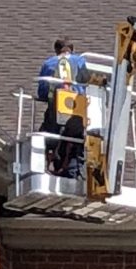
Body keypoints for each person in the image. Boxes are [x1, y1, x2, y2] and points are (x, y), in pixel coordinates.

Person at [36, 38, 92, 179]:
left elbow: (42, 92)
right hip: (76, 112)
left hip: (55, 113)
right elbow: (88, 83)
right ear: (71, 49)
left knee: (46, 138)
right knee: (74, 144)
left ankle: (46, 166)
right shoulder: (80, 61)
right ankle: (73, 173)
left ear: (56, 50)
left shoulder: (49, 63)